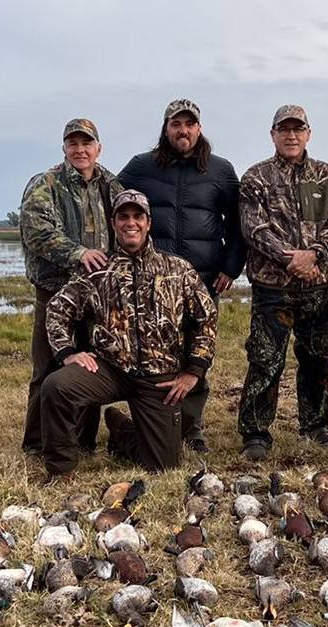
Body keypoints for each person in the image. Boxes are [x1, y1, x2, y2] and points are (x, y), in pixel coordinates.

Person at [40, 189, 218, 478]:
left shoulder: (178, 269)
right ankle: (61, 470)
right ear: (114, 223)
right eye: (123, 217)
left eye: (138, 216)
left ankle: (122, 433)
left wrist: (194, 370)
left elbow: (206, 319)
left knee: (163, 468)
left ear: (149, 222)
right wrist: (68, 353)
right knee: (57, 386)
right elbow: (58, 310)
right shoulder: (97, 271)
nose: (130, 223)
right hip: (109, 369)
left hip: (159, 378)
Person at [118, 98, 245, 453]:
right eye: (176, 124)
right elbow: (113, 204)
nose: (183, 130)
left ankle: (192, 426)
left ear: (199, 129)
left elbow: (237, 224)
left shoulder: (220, 171)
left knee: (197, 348)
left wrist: (230, 267)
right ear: (166, 128)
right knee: (152, 351)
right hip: (151, 281)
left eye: (190, 124)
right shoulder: (141, 167)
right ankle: (152, 415)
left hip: (203, 277)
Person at [237, 105, 328, 461]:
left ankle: (315, 426)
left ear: (308, 133)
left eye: (297, 129)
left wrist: (314, 254)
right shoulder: (255, 177)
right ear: (272, 135)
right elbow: (254, 228)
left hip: (321, 284)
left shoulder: (327, 176)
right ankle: (256, 432)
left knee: (317, 358)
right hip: (273, 287)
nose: (291, 135)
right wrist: (291, 260)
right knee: (265, 358)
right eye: (283, 130)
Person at [20, 118, 123, 456]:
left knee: (92, 365)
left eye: (86, 143)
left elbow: (128, 226)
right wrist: (79, 253)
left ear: (98, 148)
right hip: (55, 291)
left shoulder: (111, 184)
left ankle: (84, 441)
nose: (80, 150)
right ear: (64, 148)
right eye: (73, 143)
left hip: (96, 296)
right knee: (49, 368)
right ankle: (38, 443)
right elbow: (37, 232)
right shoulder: (45, 184)